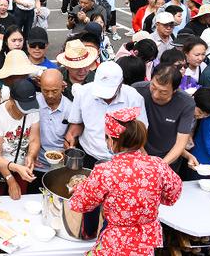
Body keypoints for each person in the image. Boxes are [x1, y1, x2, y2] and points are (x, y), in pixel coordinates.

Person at [69, 107, 182, 256]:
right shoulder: (158, 164)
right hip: (146, 239)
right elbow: (173, 194)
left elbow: (81, 203)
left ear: (111, 140)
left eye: (107, 137)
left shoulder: (106, 171)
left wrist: (79, 188)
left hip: (117, 240)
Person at [64, 61, 148, 167]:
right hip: (90, 155)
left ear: (121, 84)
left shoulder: (134, 98)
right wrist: (71, 136)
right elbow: (77, 124)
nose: (106, 97)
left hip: (122, 161)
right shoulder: (83, 93)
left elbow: (140, 133)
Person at [133, 64, 195, 169]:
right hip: (137, 153)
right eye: (153, 86)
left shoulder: (186, 103)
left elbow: (181, 142)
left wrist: (159, 166)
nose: (156, 95)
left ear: (174, 90)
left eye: (163, 92)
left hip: (168, 157)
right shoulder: (137, 90)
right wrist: (143, 156)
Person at [0, 79, 40, 198]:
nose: (26, 112)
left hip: (22, 167)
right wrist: (10, 179)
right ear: (12, 101)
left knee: (20, 201)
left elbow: (34, 139)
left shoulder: (33, 111)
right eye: (23, 107)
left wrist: (31, 156)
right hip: (1, 169)